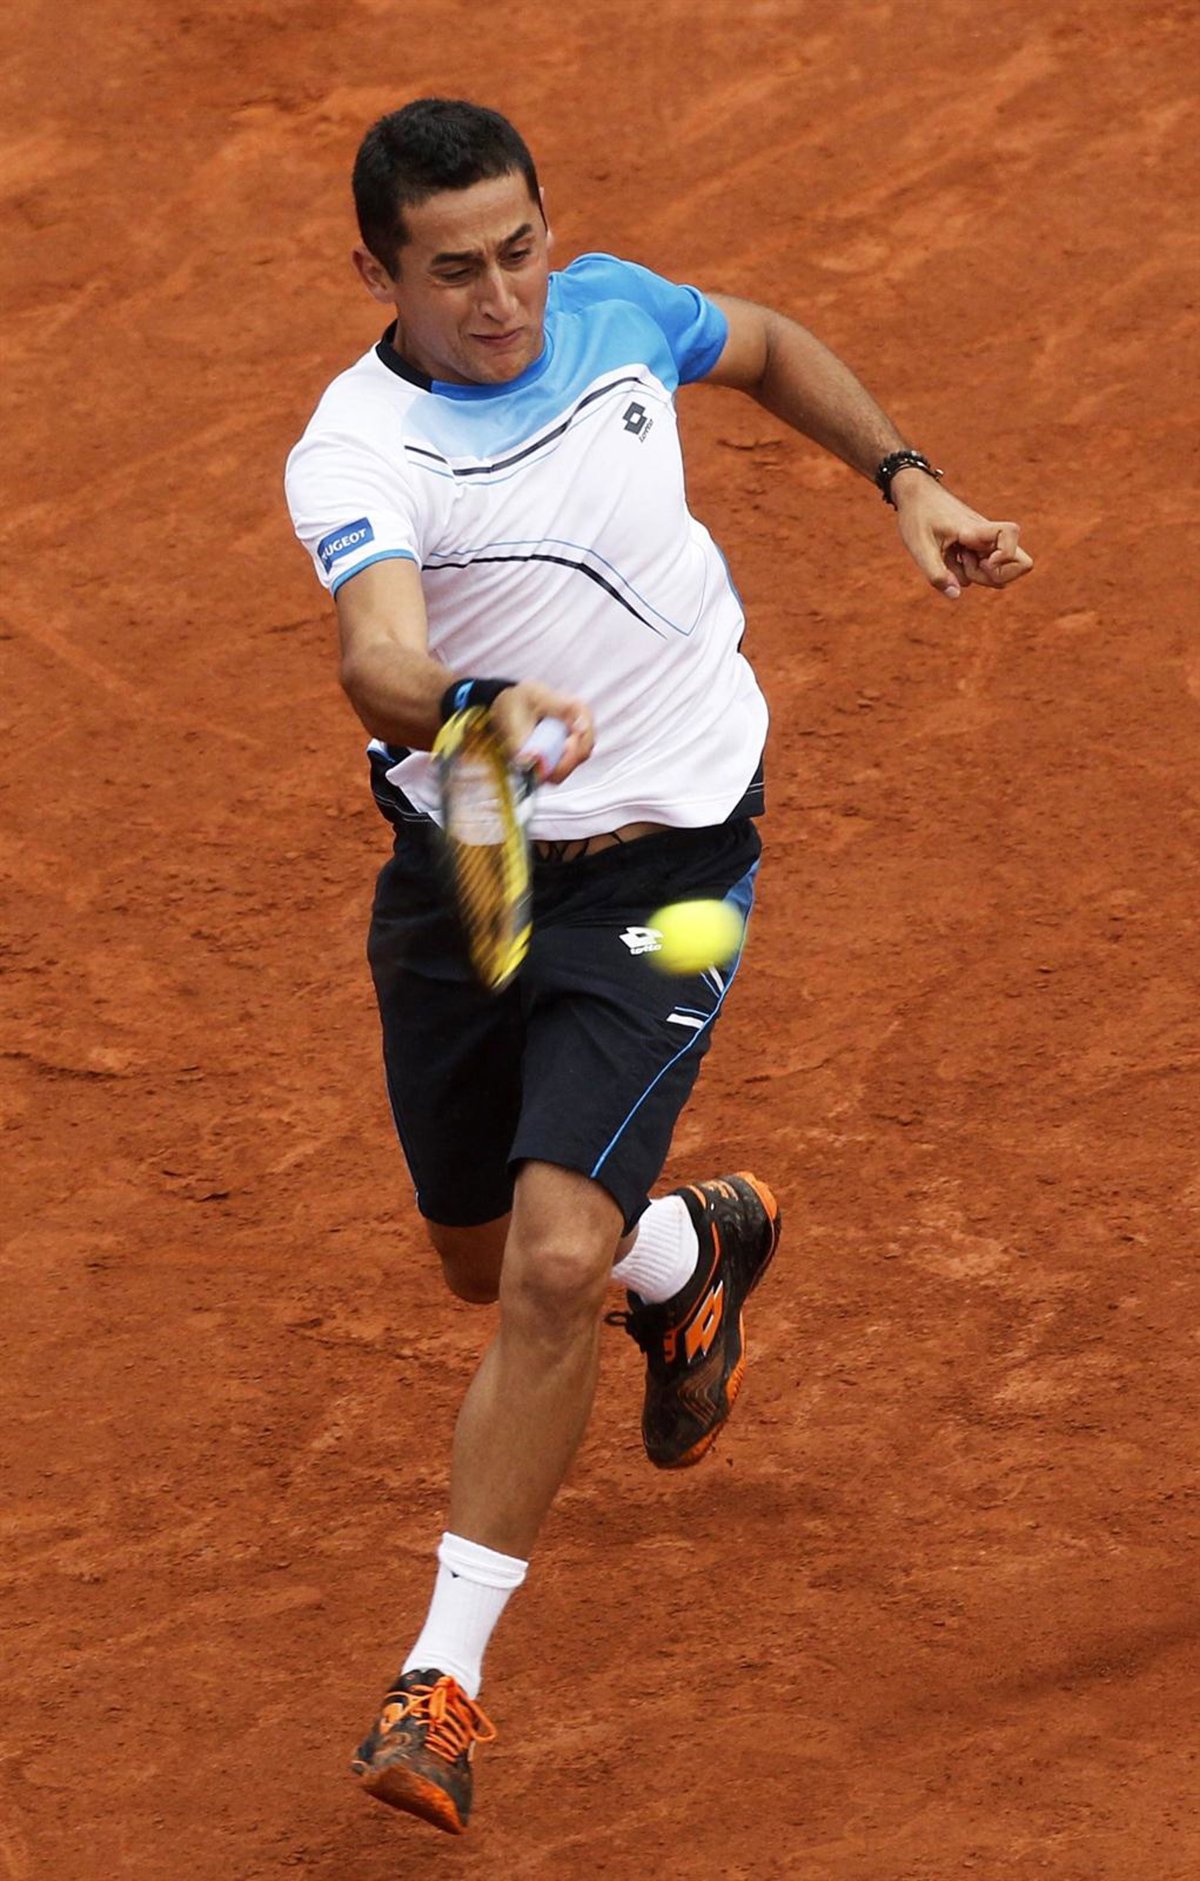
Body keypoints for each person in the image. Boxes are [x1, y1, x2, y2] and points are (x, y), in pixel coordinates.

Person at [284, 97, 1032, 1837]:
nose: (502, 298)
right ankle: (691, 1250)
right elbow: (377, 656)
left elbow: (757, 343)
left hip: (671, 857)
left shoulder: (615, 307)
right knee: (479, 1259)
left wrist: (907, 477)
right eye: (454, 271)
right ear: (380, 274)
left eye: (520, 249)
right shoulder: (360, 447)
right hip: (471, 858)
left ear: (552, 225)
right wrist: (479, 705)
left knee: (552, 1265)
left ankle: (439, 1682)